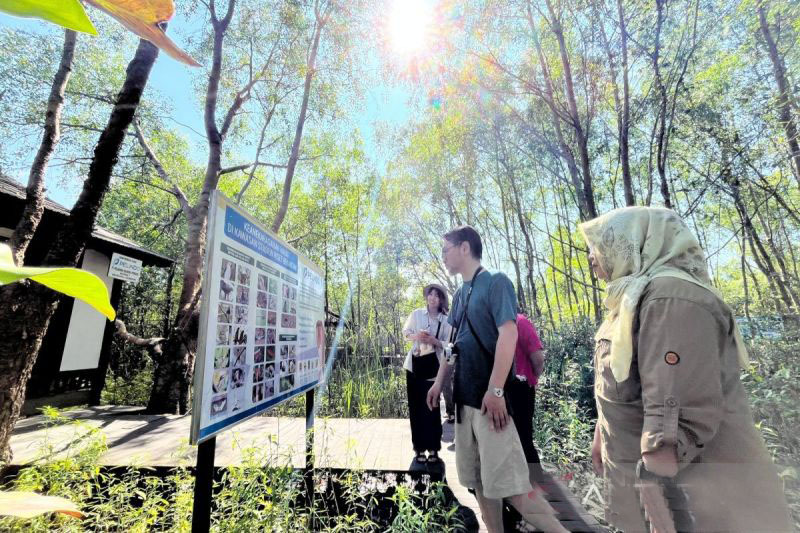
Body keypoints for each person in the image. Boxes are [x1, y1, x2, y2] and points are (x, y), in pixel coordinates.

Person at [580, 206, 792, 533]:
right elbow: (627, 378)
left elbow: (675, 414)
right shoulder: (631, 298)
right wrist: (601, 434)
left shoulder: (669, 298)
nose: (591, 255)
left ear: (632, 241)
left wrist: (659, 508)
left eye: (599, 243)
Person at [427, 225, 566, 533]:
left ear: (465, 248)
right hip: (465, 405)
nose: (443, 257)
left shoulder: (496, 282)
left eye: (446, 249)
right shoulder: (461, 295)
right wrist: (439, 382)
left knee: (514, 489)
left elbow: (508, 333)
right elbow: (454, 347)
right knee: (478, 485)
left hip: (490, 405)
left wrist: (496, 390)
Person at [402, 283, 452, 464]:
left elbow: (450, 346)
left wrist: (434, 340)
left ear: (441, 300)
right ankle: (419, 449)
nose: (433, 298)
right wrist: (418, 337)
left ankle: (433, 449)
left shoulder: (446, 321)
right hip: (414, 366)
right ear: (426, 297)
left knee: (432, 408)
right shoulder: (416, 314)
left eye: (437, 296)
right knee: (415, 408)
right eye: (430, 295)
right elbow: (405, 334)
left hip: (434, 369)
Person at [507, 311, 545, 483]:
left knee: (523, 437)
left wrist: (532, 378)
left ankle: (537, 483)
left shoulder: (520, 322)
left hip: (520, 388)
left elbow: (538, 358)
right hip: (500, 389)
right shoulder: (494, 323)